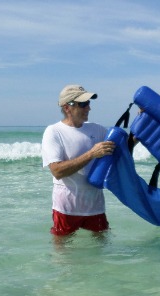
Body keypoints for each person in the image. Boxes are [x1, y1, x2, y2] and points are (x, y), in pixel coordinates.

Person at [41, 84, 116, 236]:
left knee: (101, 253)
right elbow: (57, 171)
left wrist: (141, 123)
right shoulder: (54, 132)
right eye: (83, 104)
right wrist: (91, 154)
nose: (88, 108)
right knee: (63, 257)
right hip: (66, 208)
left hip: (95, 206)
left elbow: (123, 149)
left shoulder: (98, 129)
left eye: (88, 103)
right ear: (67, 107)